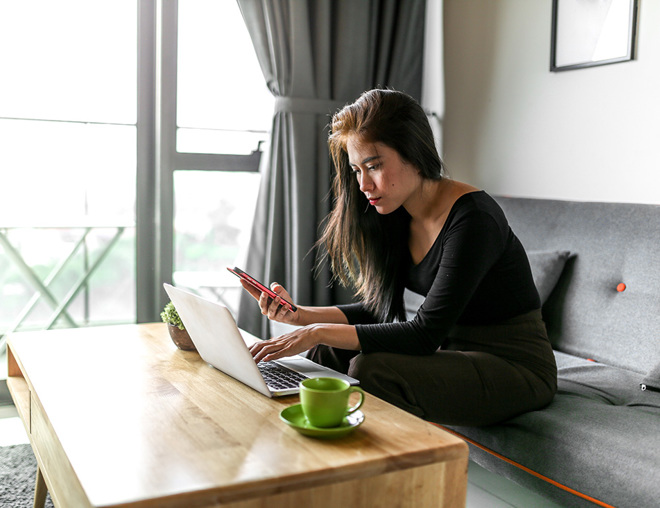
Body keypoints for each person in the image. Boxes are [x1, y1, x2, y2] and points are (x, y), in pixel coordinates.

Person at [241, 88, 557, 426]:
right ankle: (309, 455)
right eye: (356, 170)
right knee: (327, 352)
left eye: (374, 166)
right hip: (454, 353)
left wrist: (317, 330)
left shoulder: (474, 218)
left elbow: (423, 334)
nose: (364, 184)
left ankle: (388, 471)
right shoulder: (396, 213)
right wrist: (300, 316)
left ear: (413, 151)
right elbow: (379, 308)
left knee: (372, 368)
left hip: (515, 367)